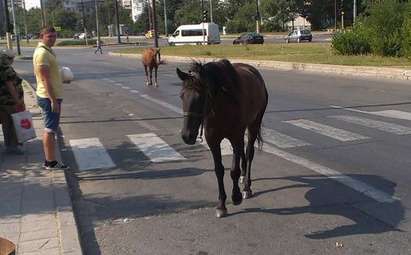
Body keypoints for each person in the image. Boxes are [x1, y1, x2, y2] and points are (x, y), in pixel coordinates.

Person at [33, 26, 68, 169]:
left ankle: (51, 160)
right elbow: (44, 79)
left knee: (52, 129)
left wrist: (62, 78)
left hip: (52, 96)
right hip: (49, 97)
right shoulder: (42, 53)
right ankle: (50, 162)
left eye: (54, 36)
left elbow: (51, 75)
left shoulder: (48, 51)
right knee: (49, 129)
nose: (53, 39)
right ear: (41, 37)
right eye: (49, 37)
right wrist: (53, 100)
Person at [0, 49, 25, 154]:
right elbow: (10, 84)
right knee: (14, 122)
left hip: (2, 100)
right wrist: (17, 101)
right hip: (9, 100)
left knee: (6, 123)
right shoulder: (5, 66)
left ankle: (9, 145)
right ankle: (13, 146)